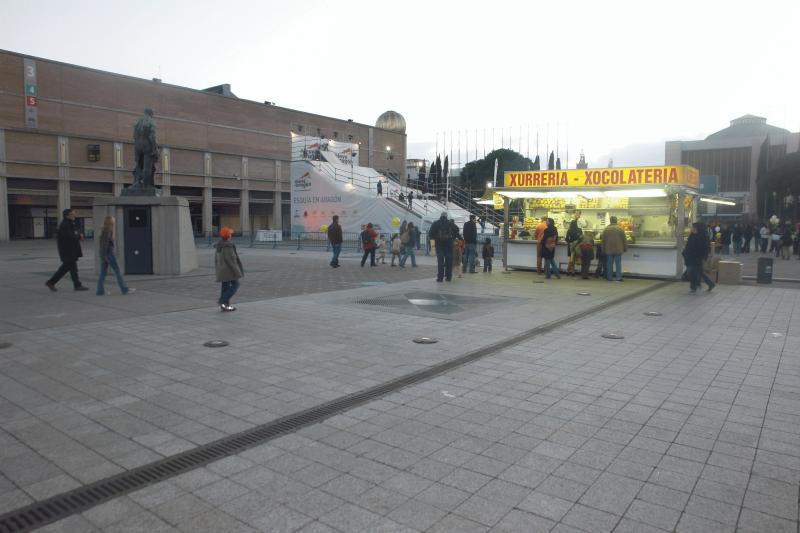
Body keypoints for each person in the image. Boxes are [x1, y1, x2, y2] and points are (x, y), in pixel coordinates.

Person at [46, 209, 89, 292]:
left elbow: (72, 235)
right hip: (68, 251)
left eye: (74, 213)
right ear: (67, 216)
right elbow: (70, 237)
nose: (74, 215)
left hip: (70, 251)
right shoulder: (65, 225)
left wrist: (78, 235)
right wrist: (79, 236)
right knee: (69, 268)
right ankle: (52, 282)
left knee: (69, 269)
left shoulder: (69, 223)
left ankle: (76, 285)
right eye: (72, 214)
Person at [96, 215, 134, 295]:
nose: (114, 221)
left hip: (103, 254)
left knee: (103, 272)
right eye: (113, 220)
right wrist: (105, 256)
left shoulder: (103, 230)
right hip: (108, 254)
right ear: (110, 222)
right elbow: (106, 244)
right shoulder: (108, 231)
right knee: (117, 271)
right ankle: (124, 289)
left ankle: (100, 291)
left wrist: (102, 255)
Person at [215, 227, 244, 311]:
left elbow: (216, 259)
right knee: (236, 285)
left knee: (225, 287)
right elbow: (231, 260)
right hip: (229, 270)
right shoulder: (228, 246)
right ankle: (222, 300)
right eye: (230, 234)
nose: (231, 235)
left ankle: (225, 306)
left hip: (222, 270)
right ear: (228, 236)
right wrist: (237, 271)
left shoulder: (219, 245)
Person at [683, 222, 714, 293]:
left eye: (693, 227)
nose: (691, 228)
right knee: (697, 272)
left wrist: (704, 257)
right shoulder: (692, 235)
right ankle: (708, 284)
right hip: (690, 256)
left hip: (698, 257)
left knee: (692, 272)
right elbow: (688, 245)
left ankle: (694, 287)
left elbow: (705, 248)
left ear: (696, 228)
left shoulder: (703, 236)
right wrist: (685, 252)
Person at [429, 211, 455, 282]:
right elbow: (456, 231)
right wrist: (452, 239)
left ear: (441, 216)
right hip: (449, 245)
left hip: (439, 244)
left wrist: (433, 241)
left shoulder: (436, 223)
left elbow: (430, 234)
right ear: (446, 216)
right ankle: (448, 277)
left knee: (440, 262)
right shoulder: (450, 223)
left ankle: (440, 278)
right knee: (449, 261)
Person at [602, 215, 627, 282]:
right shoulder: (620, 229)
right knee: (618, 264)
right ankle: (618, 277)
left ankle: (609, 277)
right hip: (618, 249)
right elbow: (624, 239)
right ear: (616, 221)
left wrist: (603, 249)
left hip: (608, 249)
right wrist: (625, 248)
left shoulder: (606, 229)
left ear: (610, 221)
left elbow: (603, 240)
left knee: (609, 264)